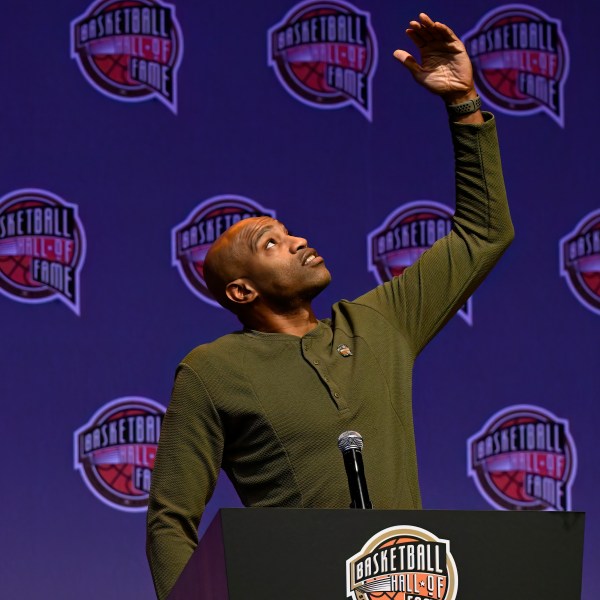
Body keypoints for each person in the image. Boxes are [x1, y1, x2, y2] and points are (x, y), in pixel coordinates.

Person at [146, 13, 514, 600]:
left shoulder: (378, 323)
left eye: (289, 231)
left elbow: (483, 233)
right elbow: (170, 520)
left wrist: (464, 103)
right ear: (242, 291)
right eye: (270, 243)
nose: (295, 240)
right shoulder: (212, 371)